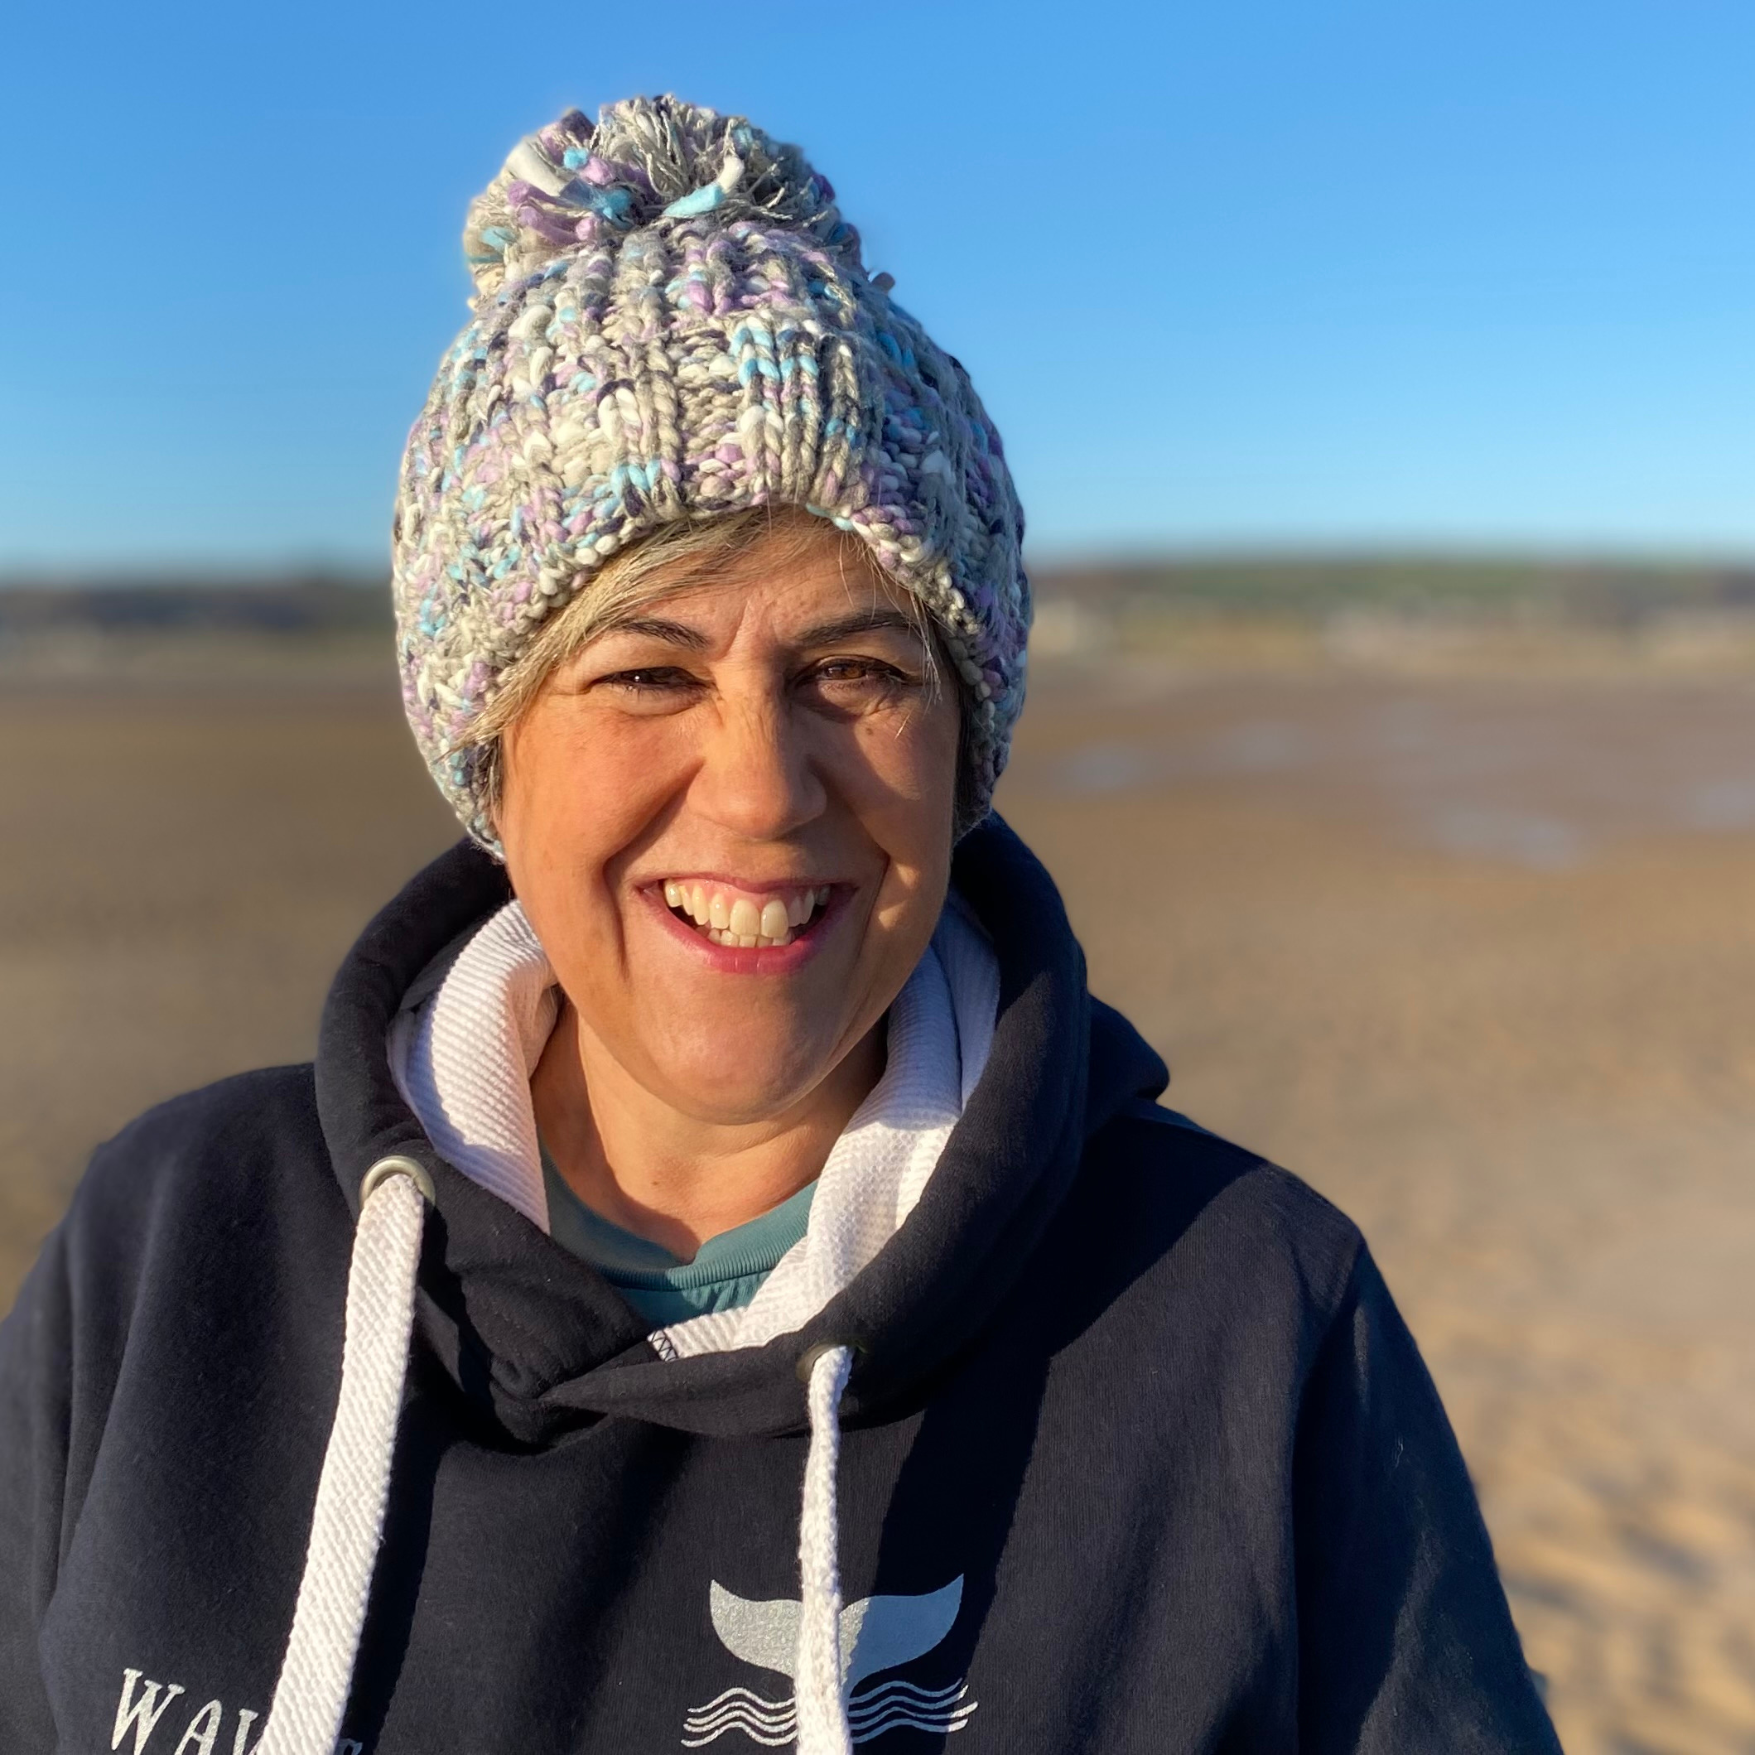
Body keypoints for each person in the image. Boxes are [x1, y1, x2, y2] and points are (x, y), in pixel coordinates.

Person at [0, 96, 1560, 1755]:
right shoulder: (174, 1248)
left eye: (857, 672)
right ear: (487, 745)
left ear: (961, 745)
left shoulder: (1248, 1318)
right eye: (646, 671)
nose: (757, 789)